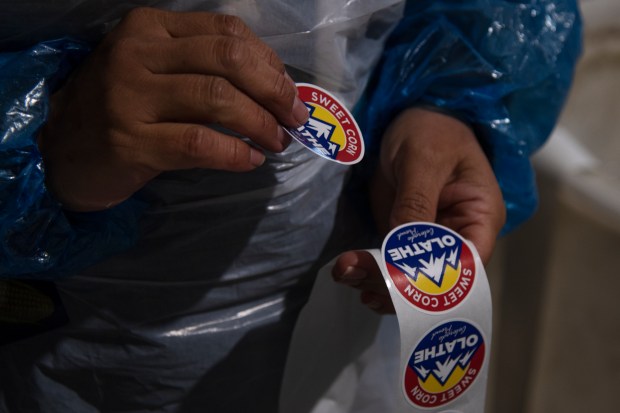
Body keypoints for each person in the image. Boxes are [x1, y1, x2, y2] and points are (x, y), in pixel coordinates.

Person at [0, 1, 581, 412]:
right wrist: (38, 135)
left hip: (356, 331)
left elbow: (495, 16)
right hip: (66, 363)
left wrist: (443, 105)